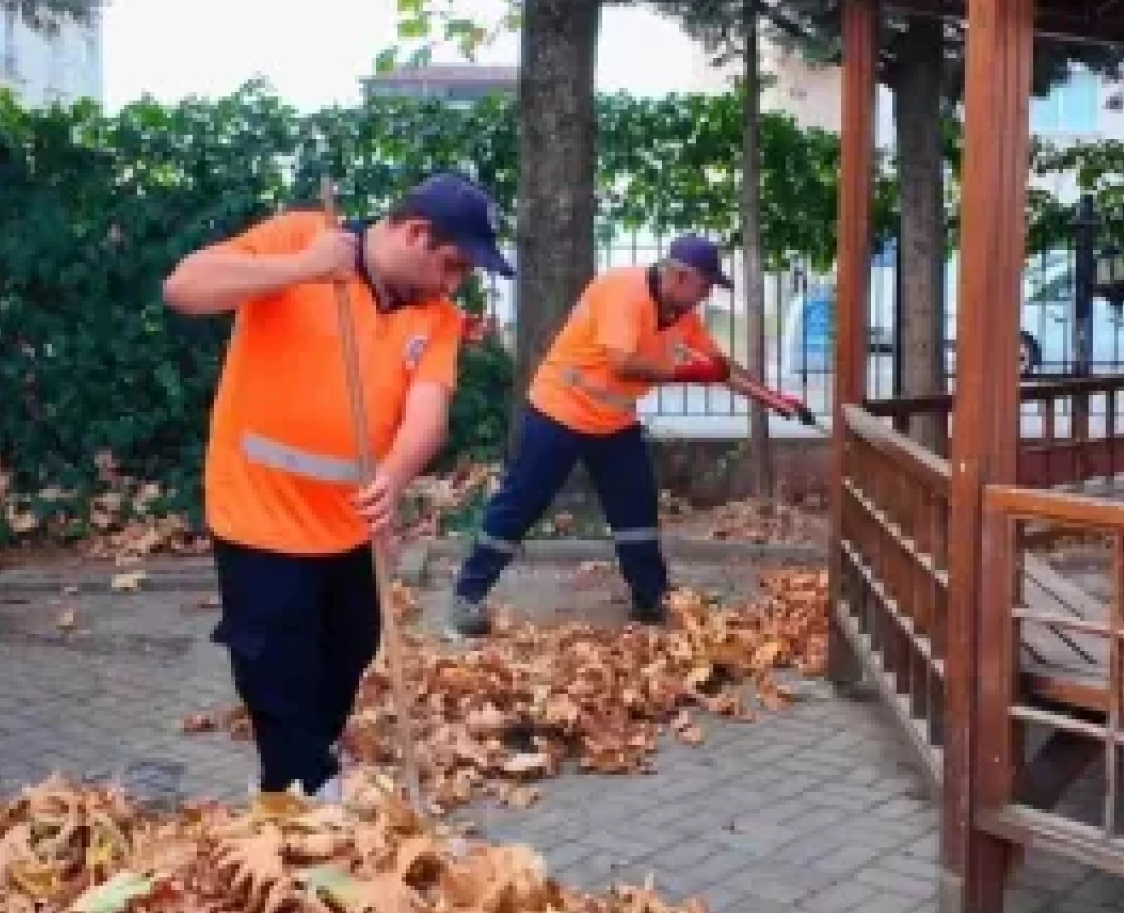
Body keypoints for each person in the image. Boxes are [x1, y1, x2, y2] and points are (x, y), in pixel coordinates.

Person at [164, 174, 512, 800]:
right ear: (414, 234)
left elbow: (427, 416)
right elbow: (184, 288)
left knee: (351, 651)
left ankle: (306, 770)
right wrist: (300, 268)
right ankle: (294, 796)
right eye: (452, 265)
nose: (453, 284)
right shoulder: (303, 237)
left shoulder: (435, 318)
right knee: (279, 671)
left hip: (351, 522)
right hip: (259, 517)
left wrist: (394, 477)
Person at [450, 234, 738, 636]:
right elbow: (623, 363)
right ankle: (467, 594)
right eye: (705, 286)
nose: (707, 296)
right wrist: (691, 373)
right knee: (522, 502)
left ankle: (649, 597)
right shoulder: (623, 291)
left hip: (612, 422)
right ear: (681, 277)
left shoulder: (682, 316)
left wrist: (749, 383)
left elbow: (715, 362)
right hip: (559, 411)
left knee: (636, 506)